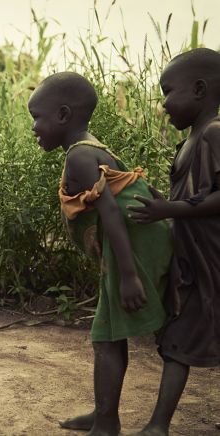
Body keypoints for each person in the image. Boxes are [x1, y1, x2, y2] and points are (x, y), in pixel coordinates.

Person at [27, 72, 172, 435]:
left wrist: (128, 275)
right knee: (107, 335)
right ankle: (104, 413)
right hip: (129, 245)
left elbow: (110, 211)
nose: (34, 127)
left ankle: (106, 422)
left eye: (37, 117)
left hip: (134, 248)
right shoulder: (89, 148)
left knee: (105, 337)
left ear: (63, 115)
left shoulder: (80, 155)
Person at [127, 47, 220, 436]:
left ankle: (158, 425)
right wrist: (160, 203)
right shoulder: (189, 142)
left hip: (212, 259)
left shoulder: (214, 133)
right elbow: (187, 197)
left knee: (180, 340)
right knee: (179, 339)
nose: (163, 104)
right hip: (192, 261)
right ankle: (158, 424)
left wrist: (171, 210)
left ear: (199, 90)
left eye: (168, 91)